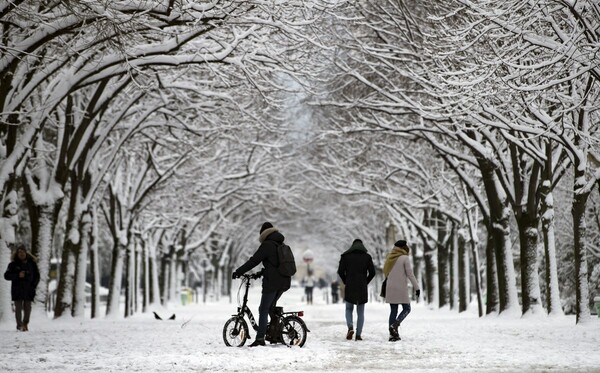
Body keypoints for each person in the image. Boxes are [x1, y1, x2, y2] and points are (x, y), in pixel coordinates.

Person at [232, 222, 291, 347]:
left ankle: (260, 339)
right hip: (284, 281)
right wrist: (259, 274)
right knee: (270, 307)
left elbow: (254, 261)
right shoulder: (280, 243)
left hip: (272, 283)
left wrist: (238, 272)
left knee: (263, 309)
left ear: (263, 234)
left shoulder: (267, 245)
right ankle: (275, 333)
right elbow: (273, 265)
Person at [337, 238, 375, 341]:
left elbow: (340, 271)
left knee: (349, 308)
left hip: (350, 285)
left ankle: (350, 327)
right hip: (362, 286)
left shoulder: (345, 256)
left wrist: (346, 281)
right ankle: (358, 335)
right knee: (360, 311)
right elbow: (372, 272)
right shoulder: (367, 257)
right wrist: (365, 281)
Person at [383, 240, 420, 342]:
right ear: (403, 248)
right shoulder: (404, 258)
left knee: (393, 311)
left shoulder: (389, 257)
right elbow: (410, 274)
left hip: (390, 287)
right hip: (401, 288)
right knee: (407, 308)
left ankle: (392, 335)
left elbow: (385, 271)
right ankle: (395, 325)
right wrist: (417, 287)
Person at [4, 244, 40, 332]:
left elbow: (37, 276)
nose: (21, 254)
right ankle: (19, 325)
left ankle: (25, 323)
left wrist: (33, 286)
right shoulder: (12, 264)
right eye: (19, 252)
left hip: (29, 289)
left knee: (28, 308)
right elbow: (6, 276)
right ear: (17, 254)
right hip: (17, 290)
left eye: (23, 252)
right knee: (18, 308)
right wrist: (17, 275)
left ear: (26, 253)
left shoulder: (32, 264)